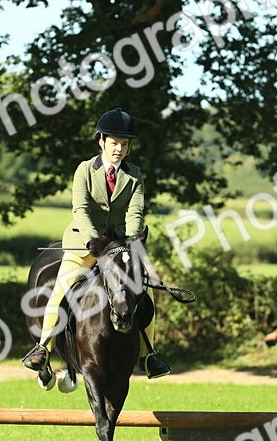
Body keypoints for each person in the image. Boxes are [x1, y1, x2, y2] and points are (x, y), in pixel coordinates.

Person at [22, 108, 171, 380]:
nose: (120, 149)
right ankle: (43, 348)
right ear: (101, 141)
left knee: (146, 293)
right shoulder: (84, 170)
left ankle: (148, 355)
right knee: (61, 288)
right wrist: (95, 240)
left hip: (120, 247)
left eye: (125, 144)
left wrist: (131, 243)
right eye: (115, 143)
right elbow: (80, 209)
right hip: (85, 242)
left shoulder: (135, 174)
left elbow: (135, 213)